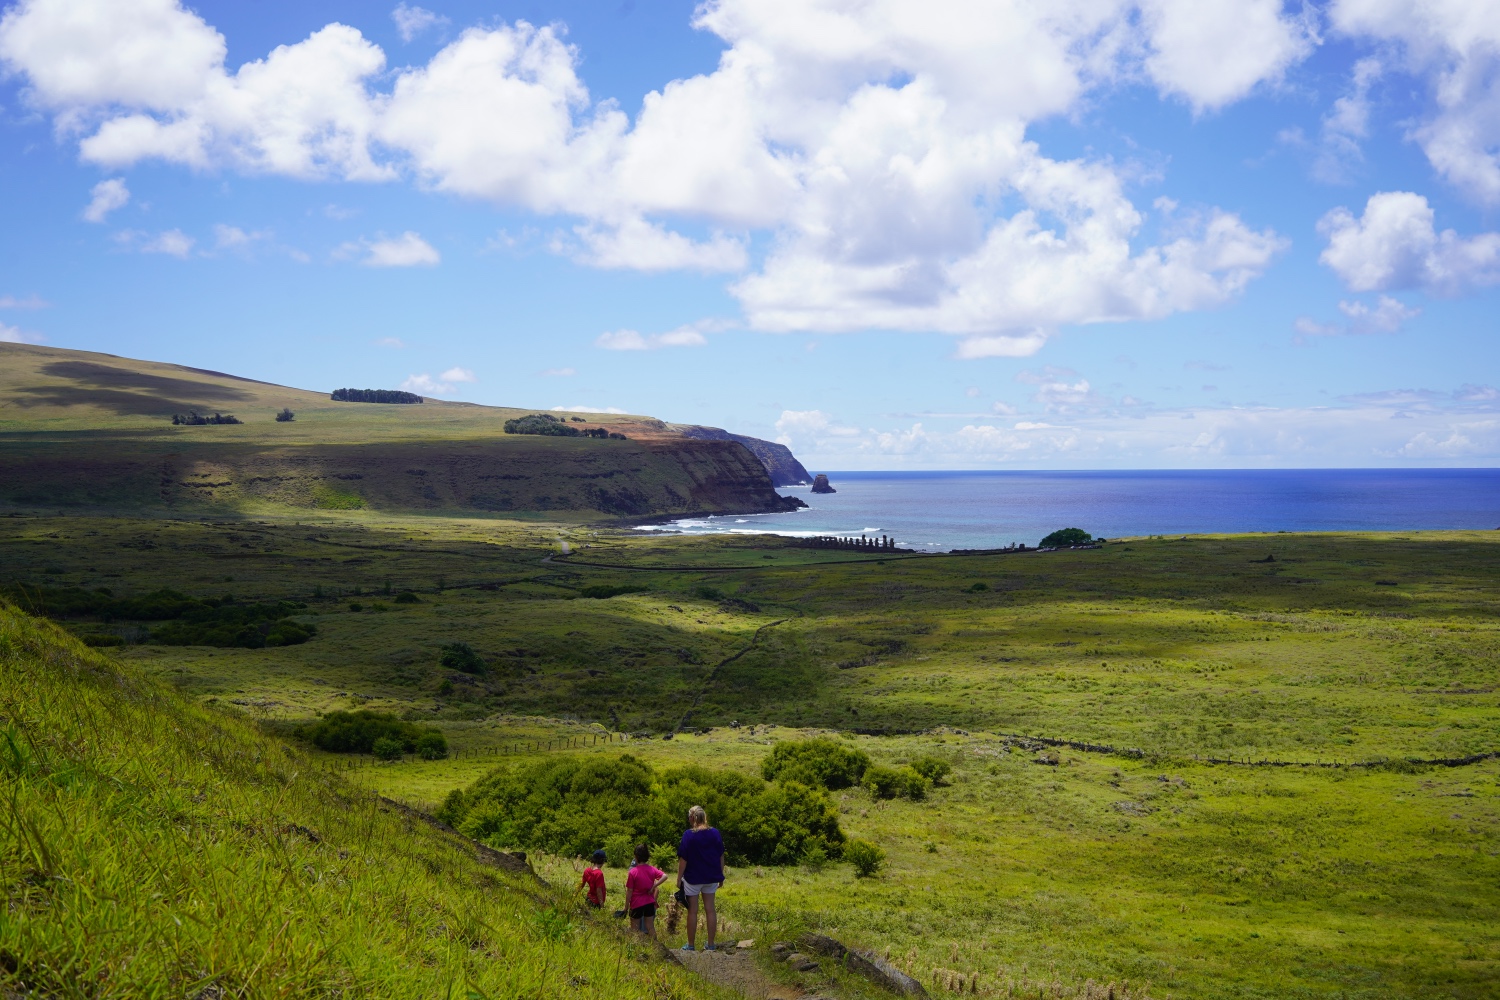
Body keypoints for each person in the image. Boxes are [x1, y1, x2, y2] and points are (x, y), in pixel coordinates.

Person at [676, 804, 725, 952]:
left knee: (692, 911)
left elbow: (683, 859)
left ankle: (691, 945)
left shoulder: (688, 835)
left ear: (692, 818)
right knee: (710, 910)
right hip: (711, 877)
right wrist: (721, 875)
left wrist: (679, 878)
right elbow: (721, 855)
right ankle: (711, 944)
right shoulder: (715, 833)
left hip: (693, 878)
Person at [624, 843, 668, 937]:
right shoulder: (652, 869)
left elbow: (629, 891)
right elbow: (665, 876)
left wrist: (626, 907)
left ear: (636, 856)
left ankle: (635, 944)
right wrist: (654, 886)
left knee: (634, 928)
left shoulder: (633, 872)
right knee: (650, 927)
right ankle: (655, 943)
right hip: (649, 902)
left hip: (636, 903)